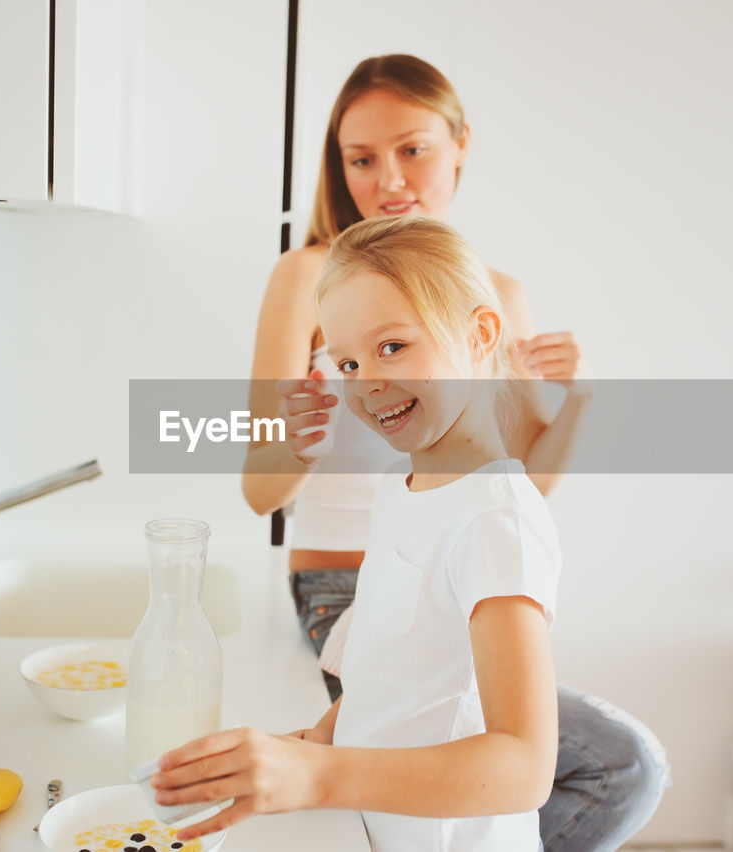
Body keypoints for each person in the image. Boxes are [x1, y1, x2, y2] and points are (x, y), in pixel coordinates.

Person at [240, 54, 668, 850]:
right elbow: (258, 494)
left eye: (413, 149)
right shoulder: (309, 277)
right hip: (343, 580)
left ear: (461, 144)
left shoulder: (494, 296)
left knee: (619, 763)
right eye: (360, 159)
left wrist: (583, 399)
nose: (388, 178)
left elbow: (512, 491)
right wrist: (295, 442)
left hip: (451, 571)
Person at [155, 215, 560, 849]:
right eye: (347, 361)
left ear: (481, 333)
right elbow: (391, 673)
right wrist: (315, 739)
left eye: (392, 347)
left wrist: (321, 775)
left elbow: (525, 768)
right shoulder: (404, 487)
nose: (367, 382)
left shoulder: (495, 522)